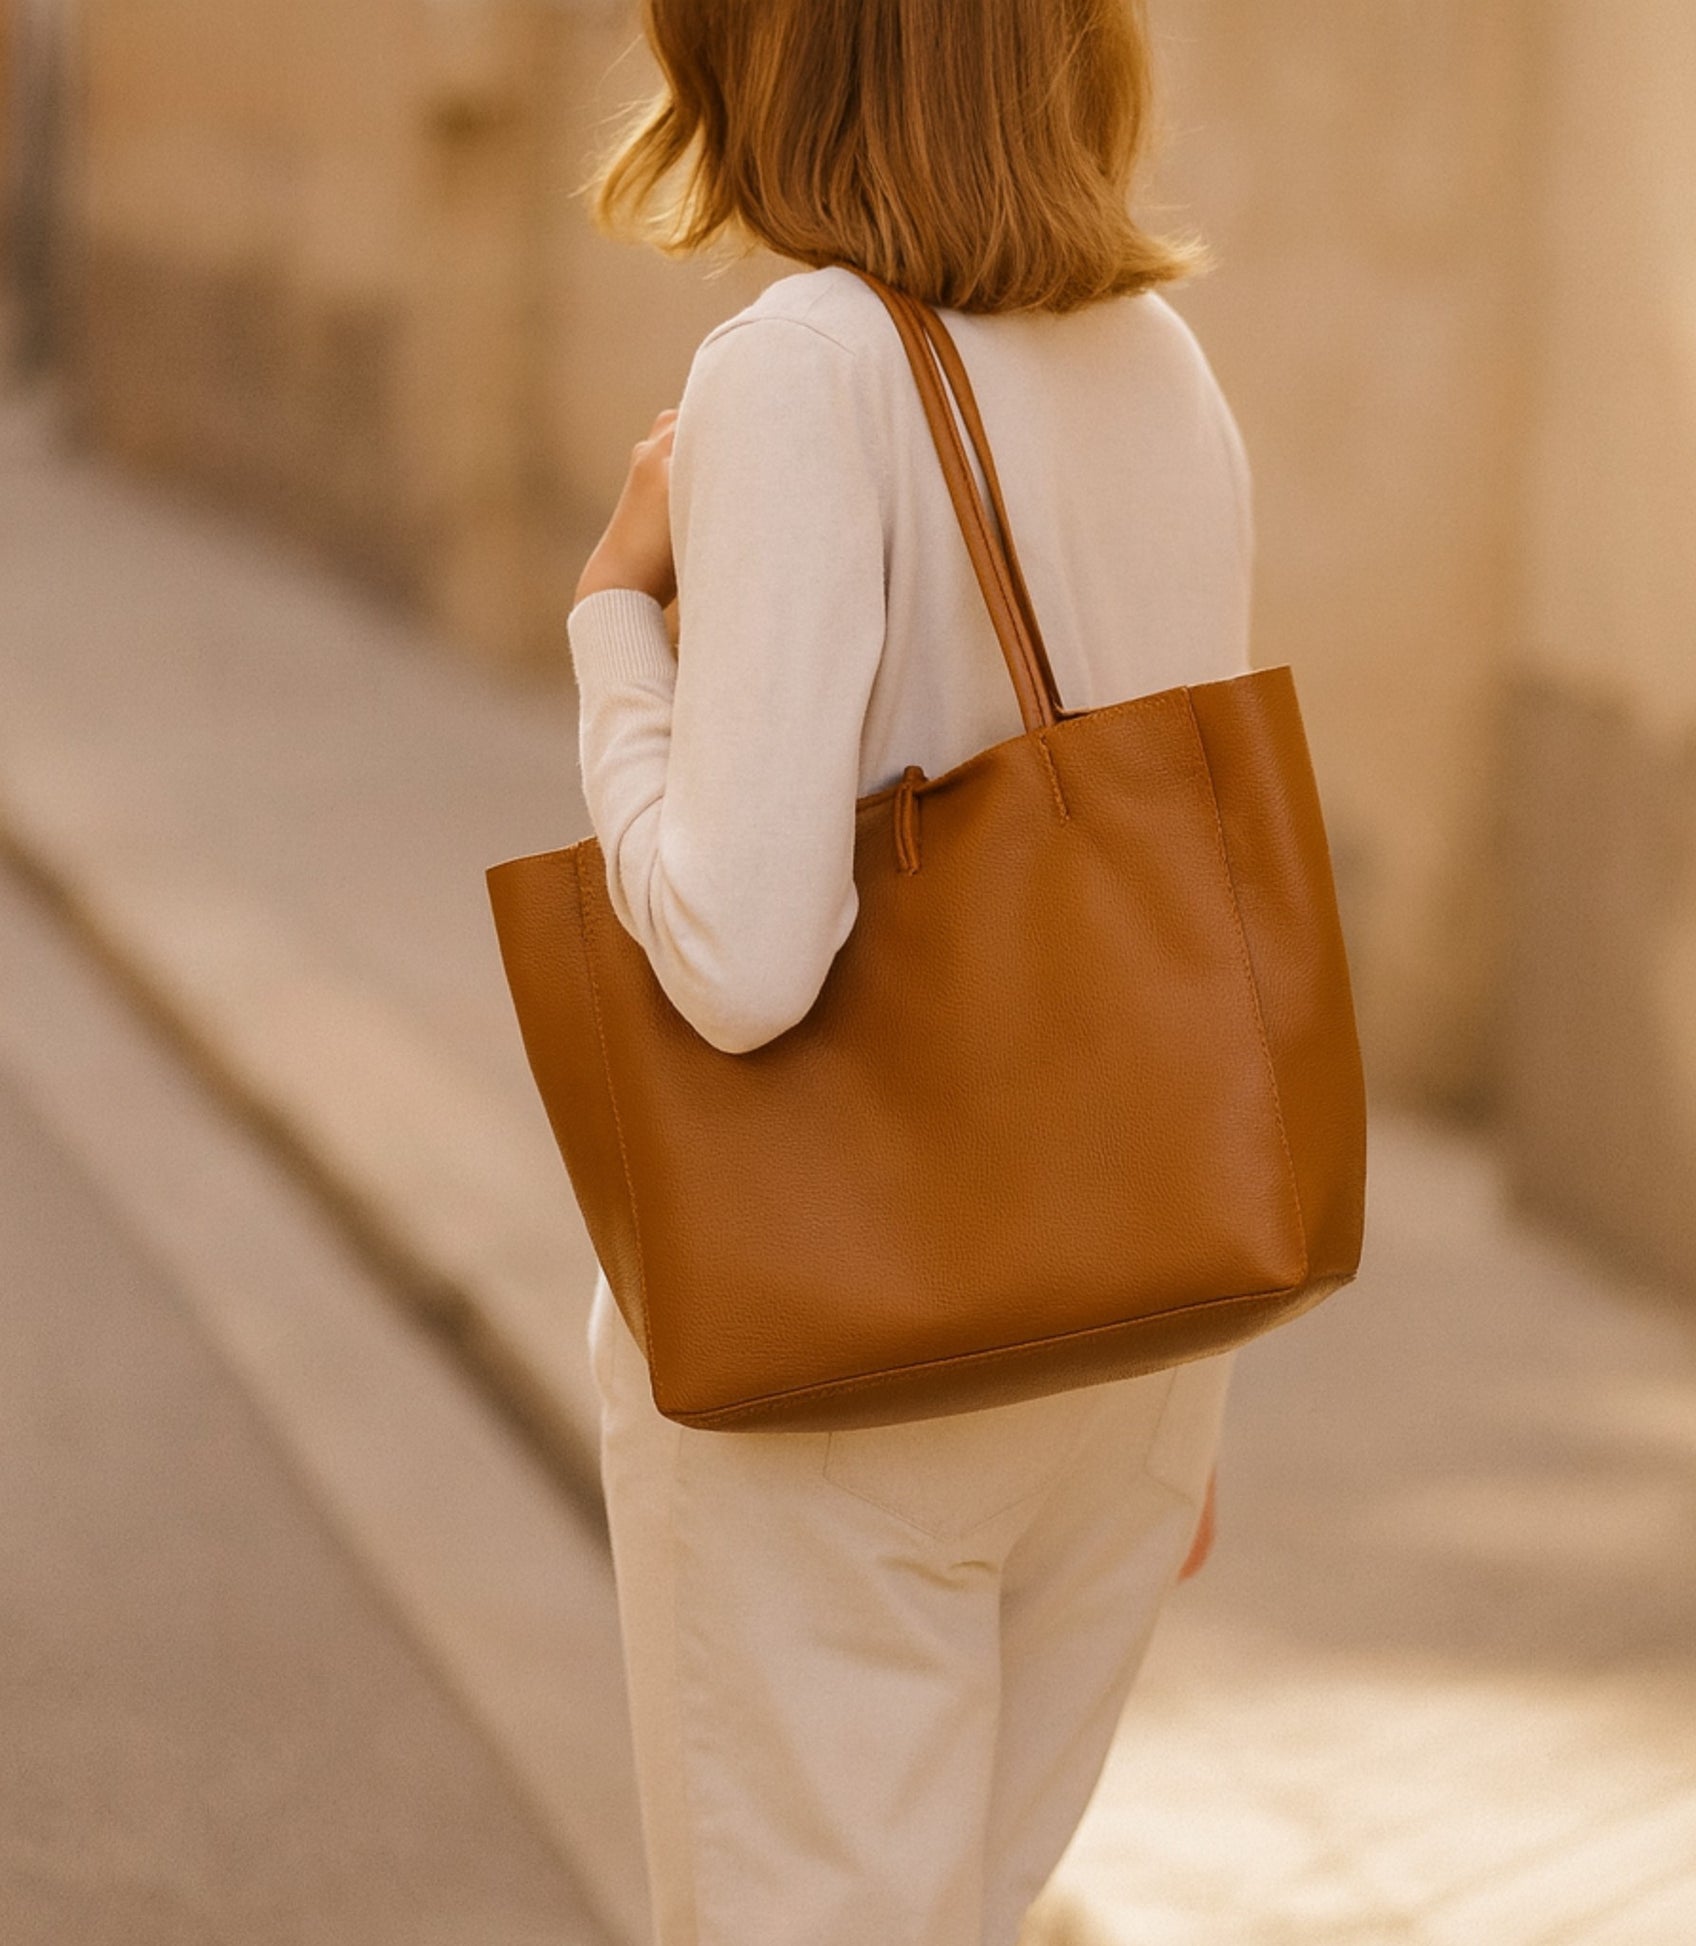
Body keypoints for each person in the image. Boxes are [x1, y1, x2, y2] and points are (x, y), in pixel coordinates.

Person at [564, 2, 1253, 1939]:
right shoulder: (1164, 365)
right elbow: (1180, 921)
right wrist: (1190, 1389)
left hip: (845, 1358)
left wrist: (617, 630)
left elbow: (739, 957)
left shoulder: (802, 370)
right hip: (1126, 1345)